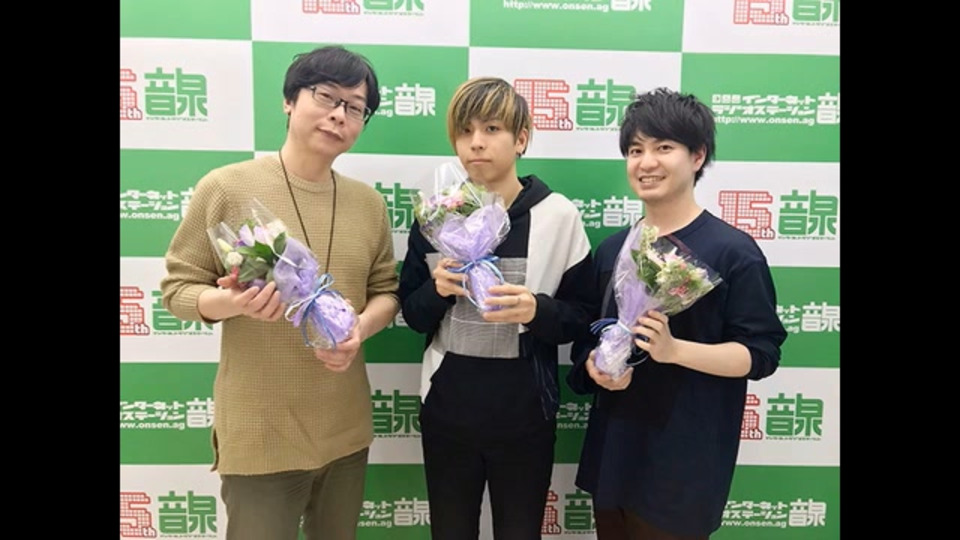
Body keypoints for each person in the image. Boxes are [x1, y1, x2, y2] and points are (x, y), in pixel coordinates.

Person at [159, 45, 400, 540]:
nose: (339, 114)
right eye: (325, 96)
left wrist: (360, 327)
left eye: (355, 107)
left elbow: (386, 292)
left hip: (345, 431)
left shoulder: (368, 204)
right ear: (289, 100)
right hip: (261, 435)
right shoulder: (226, 188)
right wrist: (233, 304)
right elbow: (178, 289)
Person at [566, 87, 788, 540]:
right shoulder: (613, 250)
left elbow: (761, 353)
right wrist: (595, 366)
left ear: (697, 156)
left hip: (686, 464)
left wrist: (675, 350)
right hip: (614, 454)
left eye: (663, 147)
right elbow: (587, 338)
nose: (646, 162)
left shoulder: (733, 252)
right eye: (635, 150)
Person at [398, 77, 596, 540]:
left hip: (527, 415)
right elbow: (412, 314)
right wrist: (437, 290)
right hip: (447, 411)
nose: (476, 143)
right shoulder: (437, 215)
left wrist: (536, 311)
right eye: (465, 131)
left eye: (491, 129)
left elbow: (583, 315)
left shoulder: (558, 215)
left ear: (521, 138)